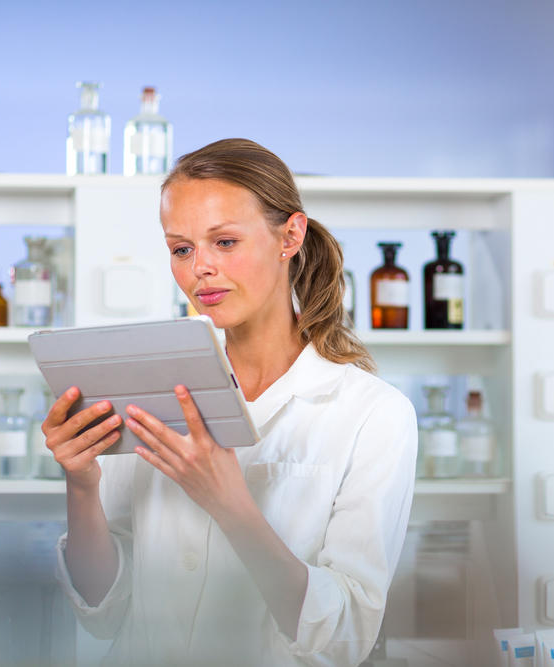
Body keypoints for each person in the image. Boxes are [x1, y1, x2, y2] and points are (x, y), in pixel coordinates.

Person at [43, 138, 418, 666]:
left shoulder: (372, 414)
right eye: (182, 249)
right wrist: (81, 484)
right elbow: (102, 610)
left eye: (224, 242)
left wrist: (229, 503)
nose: (200, 268)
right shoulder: (152, 387)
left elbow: (345, 635)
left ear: (290, 236)